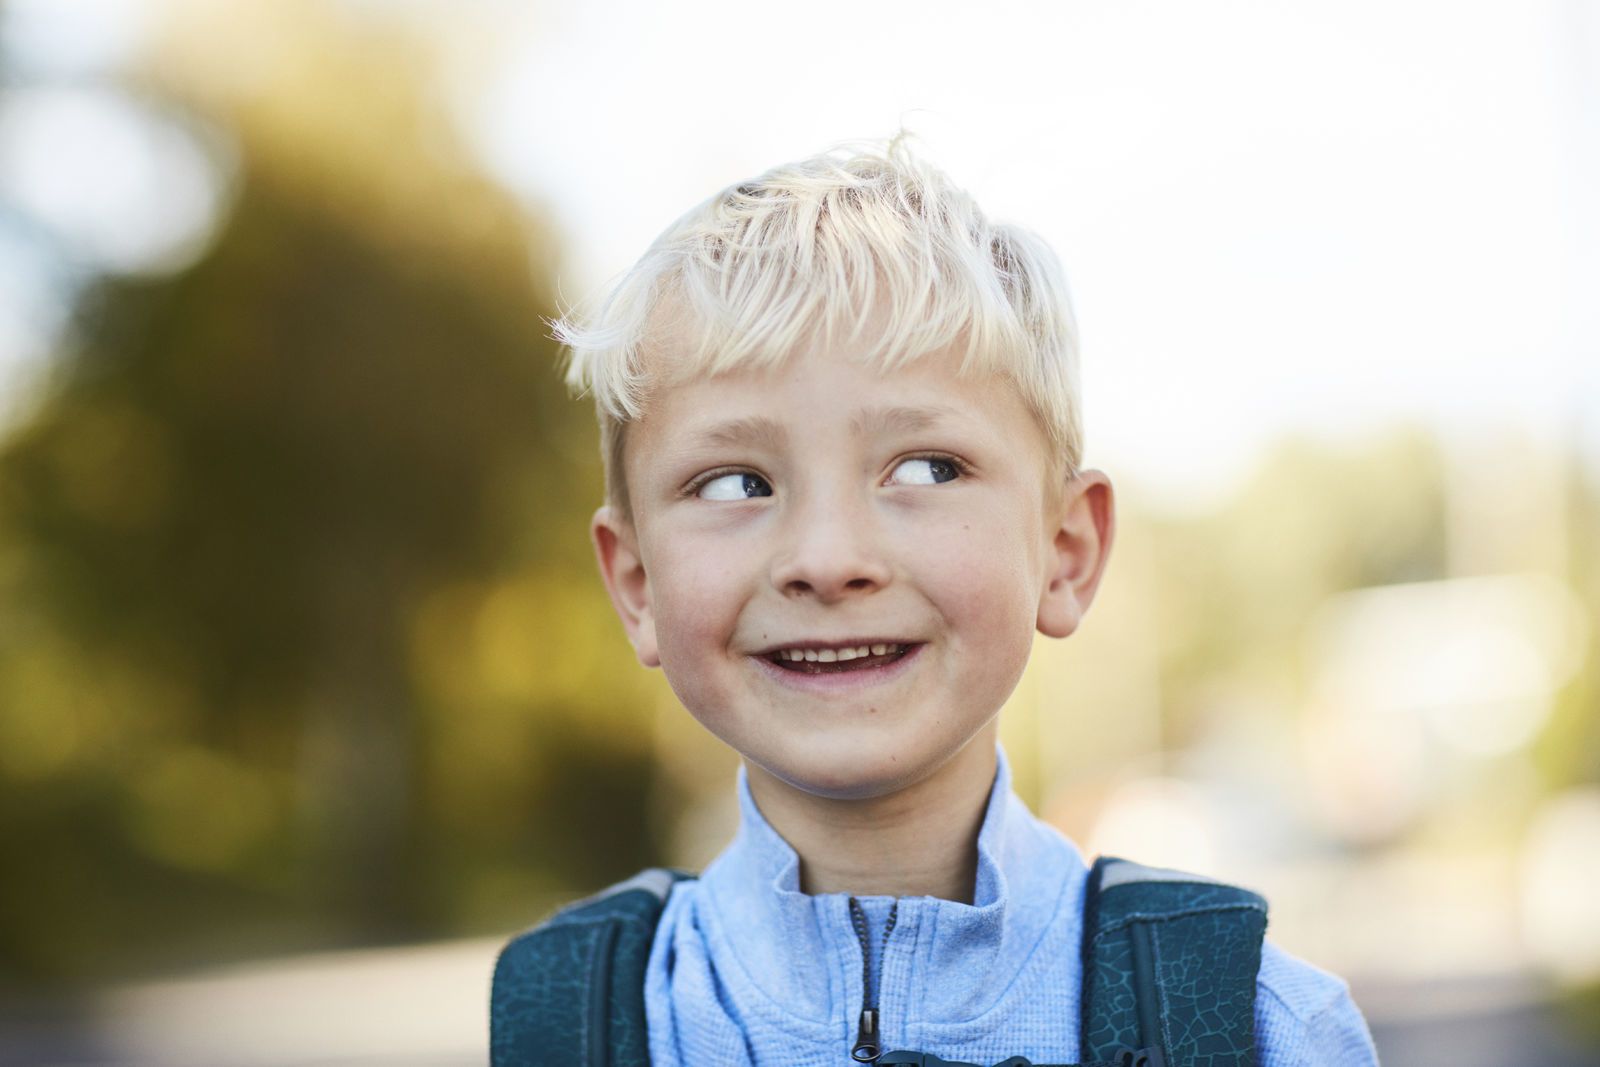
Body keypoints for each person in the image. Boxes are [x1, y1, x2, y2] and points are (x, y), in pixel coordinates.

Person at [550, 134, 1379, 1066]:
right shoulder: (574, 1020)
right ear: (636, 584)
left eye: (925, 467)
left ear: (1065, 549)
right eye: (735, 483)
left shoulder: (1251, 1025)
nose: (827, 559)